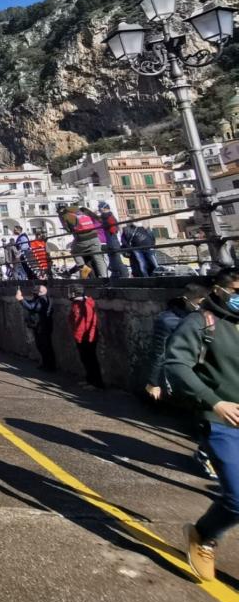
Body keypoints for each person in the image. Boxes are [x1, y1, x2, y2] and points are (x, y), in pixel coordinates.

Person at [166, 272, 239, 582]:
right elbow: (176, 364)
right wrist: (213, 401)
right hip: (219, 420)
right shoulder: (200, 323)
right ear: (220, 290)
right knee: (237, 497)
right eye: (236, 289)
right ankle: (204, 535)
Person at [145, 284, 215, 479]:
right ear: (188, 300)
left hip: (211, 373)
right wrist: (153, 382)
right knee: (208, 418)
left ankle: (207, 452)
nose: (203, 306)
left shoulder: (212, 317)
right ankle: (205, 454)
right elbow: (159, 352)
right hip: (188, 375)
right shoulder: (168, 321)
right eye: (200, 302)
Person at [59, 203, 108, 278]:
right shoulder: (83, 211)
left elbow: (69, 230)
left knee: (74, 251)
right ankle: (104, 277)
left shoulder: (66, 215)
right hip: (95, 237)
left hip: (82, 239)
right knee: (98, 258)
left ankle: (82, 266)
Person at [68, 288, 104, 388]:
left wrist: (90, 337)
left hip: (87, 337)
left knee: (91, 360)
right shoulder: (76, 303)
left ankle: (97, 383)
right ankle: (90, 379)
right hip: (80, 335)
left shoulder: (85, 304)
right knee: (85, 359)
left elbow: (91, 322)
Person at [18, 284, 55, 371]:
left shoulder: (43, 299)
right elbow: (31, 303)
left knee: (45, 346)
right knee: (41, 346)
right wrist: (22, 298)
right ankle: (45, 364)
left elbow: (32, 307)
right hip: (39, 325)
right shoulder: (39, 298)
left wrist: (21, 299)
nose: (34, 294)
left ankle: (49, 366)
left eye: (35, 292)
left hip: (43, 326)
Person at [97, 202, 129, 279]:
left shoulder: (109, 217)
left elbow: (113, 230)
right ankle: (115, 275)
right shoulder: (108, 217)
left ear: (104, 209)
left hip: (113, 241)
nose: (99, 211)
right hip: (111, 241)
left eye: (100, 209)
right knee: (113, 260)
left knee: (116, 260)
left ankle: (124, 275)